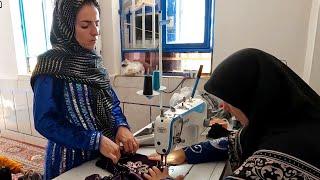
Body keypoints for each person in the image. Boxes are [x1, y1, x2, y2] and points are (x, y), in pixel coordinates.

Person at [143, 48, 320, 180]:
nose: (224, 107)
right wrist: (186, 153)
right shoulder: (288, 122)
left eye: (230, 99)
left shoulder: (279, 155)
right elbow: (233, 141)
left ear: (252, 97)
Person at [30, 0, 139, 179]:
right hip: (68, 160)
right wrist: (93, 140)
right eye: (85, 25)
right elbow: (45, 121)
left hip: (102, 155)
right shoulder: (51, 66)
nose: (95, 32)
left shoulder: (94, 62)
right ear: (66, 27)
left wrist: (121, 126)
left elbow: (111, 102)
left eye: (96, 23)